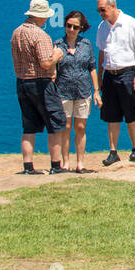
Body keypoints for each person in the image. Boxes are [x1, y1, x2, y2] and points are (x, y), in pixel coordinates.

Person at [11, 0, 67, 174]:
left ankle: (28, 166)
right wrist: (58, 54)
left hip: (22, 82)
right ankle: (56, 165)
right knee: (55, 123)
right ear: (41, 17)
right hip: (41, 83)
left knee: (29, 126)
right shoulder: (40, 36)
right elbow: (45, 62)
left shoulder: (16, 33)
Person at [95, 0, 135, 166]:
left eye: (103, 10)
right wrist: (100, 77)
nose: (101, 13)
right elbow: (101, 53)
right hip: (110, 74)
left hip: (127, 73)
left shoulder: (130, 23)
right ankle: (113, 151)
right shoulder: (102, 27)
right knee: (111, 115)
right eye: (99, 11)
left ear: (112, 6)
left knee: (131, 113)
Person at [54, 10, 99, 173]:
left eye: (75, 27)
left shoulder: (86, 44)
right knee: (65, 127)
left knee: (80, 127)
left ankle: (80, 163)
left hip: (83, 91)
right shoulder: (58, 44)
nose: (71, 30)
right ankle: (65, 163)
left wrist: (96, 91)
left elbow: (92, 67)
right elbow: (53, 70)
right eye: (68, 26)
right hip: (63, 91)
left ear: (81, 28)